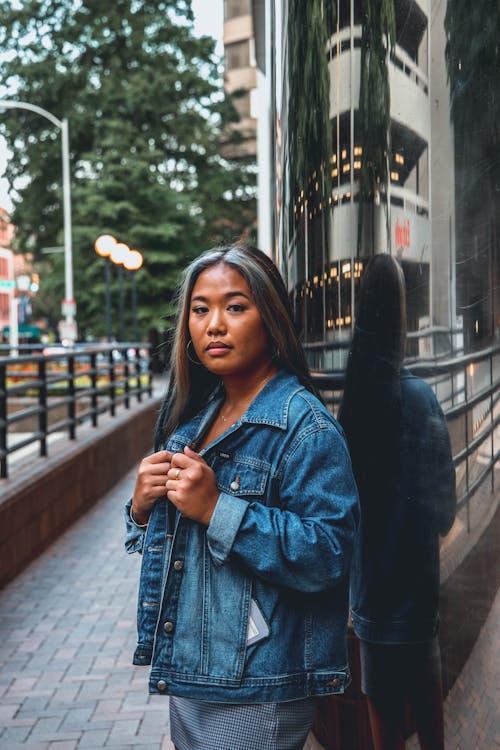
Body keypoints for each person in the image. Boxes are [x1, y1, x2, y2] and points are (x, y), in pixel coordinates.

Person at [125, 244, 360, 750]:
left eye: (235, 306)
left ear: (270, 316)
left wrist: (217, 509)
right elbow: (182, 553)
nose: (214, 324)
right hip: (195, 674)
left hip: (258, 687)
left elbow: (329, 554)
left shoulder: (305, 427)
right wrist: (141, 512)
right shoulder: (196, 422)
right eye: (200, 308)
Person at [338, 254, 457, 750]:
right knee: (431, 720)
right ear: (402, 317)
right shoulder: (422, 400)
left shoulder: (351, 405)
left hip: (371, 600)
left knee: (382, 721)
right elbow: (445, 510)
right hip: (418, 596)